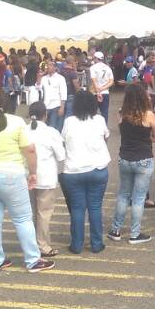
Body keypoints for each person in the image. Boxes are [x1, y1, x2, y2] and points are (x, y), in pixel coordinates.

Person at [0, 91, 54, 273]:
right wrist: (33, 173)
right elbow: (29, 150)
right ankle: (32, 259)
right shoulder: (17, 123)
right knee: (22, 219)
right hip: (11, 174)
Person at [107, 84, 155, 245]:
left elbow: (124, 133)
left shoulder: (122, 114)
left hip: (125, 158)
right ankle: (135, 234)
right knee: (138, 198)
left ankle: (115, 230)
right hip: (144, 158)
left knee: (123, 195)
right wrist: (148, 139)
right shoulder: (149, 115)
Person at [60, 90, 111, 254]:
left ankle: (77, 245)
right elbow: (106, 137)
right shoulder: (99, 119)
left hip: (73, 170)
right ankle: (96, 244)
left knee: (77, 209)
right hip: (98, 169)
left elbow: (63, 141)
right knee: (95, 207)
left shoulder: (69, 121)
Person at [26, 102, 65, 257]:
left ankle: (31, 243)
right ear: (46, 114)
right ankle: (43, 245)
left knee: (30, 212)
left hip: (27, 176)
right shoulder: (51, 132)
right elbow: (61, 155)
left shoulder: (23, 130)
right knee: (44, 213)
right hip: (46, 177)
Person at [39, 60, 68, 130]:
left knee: (53, 127)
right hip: (45, 106)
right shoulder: (44, 78)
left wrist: (62, 107)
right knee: (44, 127)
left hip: (56, 105)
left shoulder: (60, 78)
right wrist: (39, 76)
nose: (47, 67)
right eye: (47, 65)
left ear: (55, 67)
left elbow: (63, 93)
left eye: (50, 65)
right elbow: (38, 87)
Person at [88, 51, 115, 121]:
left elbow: (94, 81)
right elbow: (111, 81)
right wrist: (103, 88)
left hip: (95, 93)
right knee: (105, 112)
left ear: (96, 58)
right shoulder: (108, 68)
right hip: (105, 93)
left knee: (93, 113)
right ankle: (104, 129)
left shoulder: (93, 67)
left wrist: (98, 92)